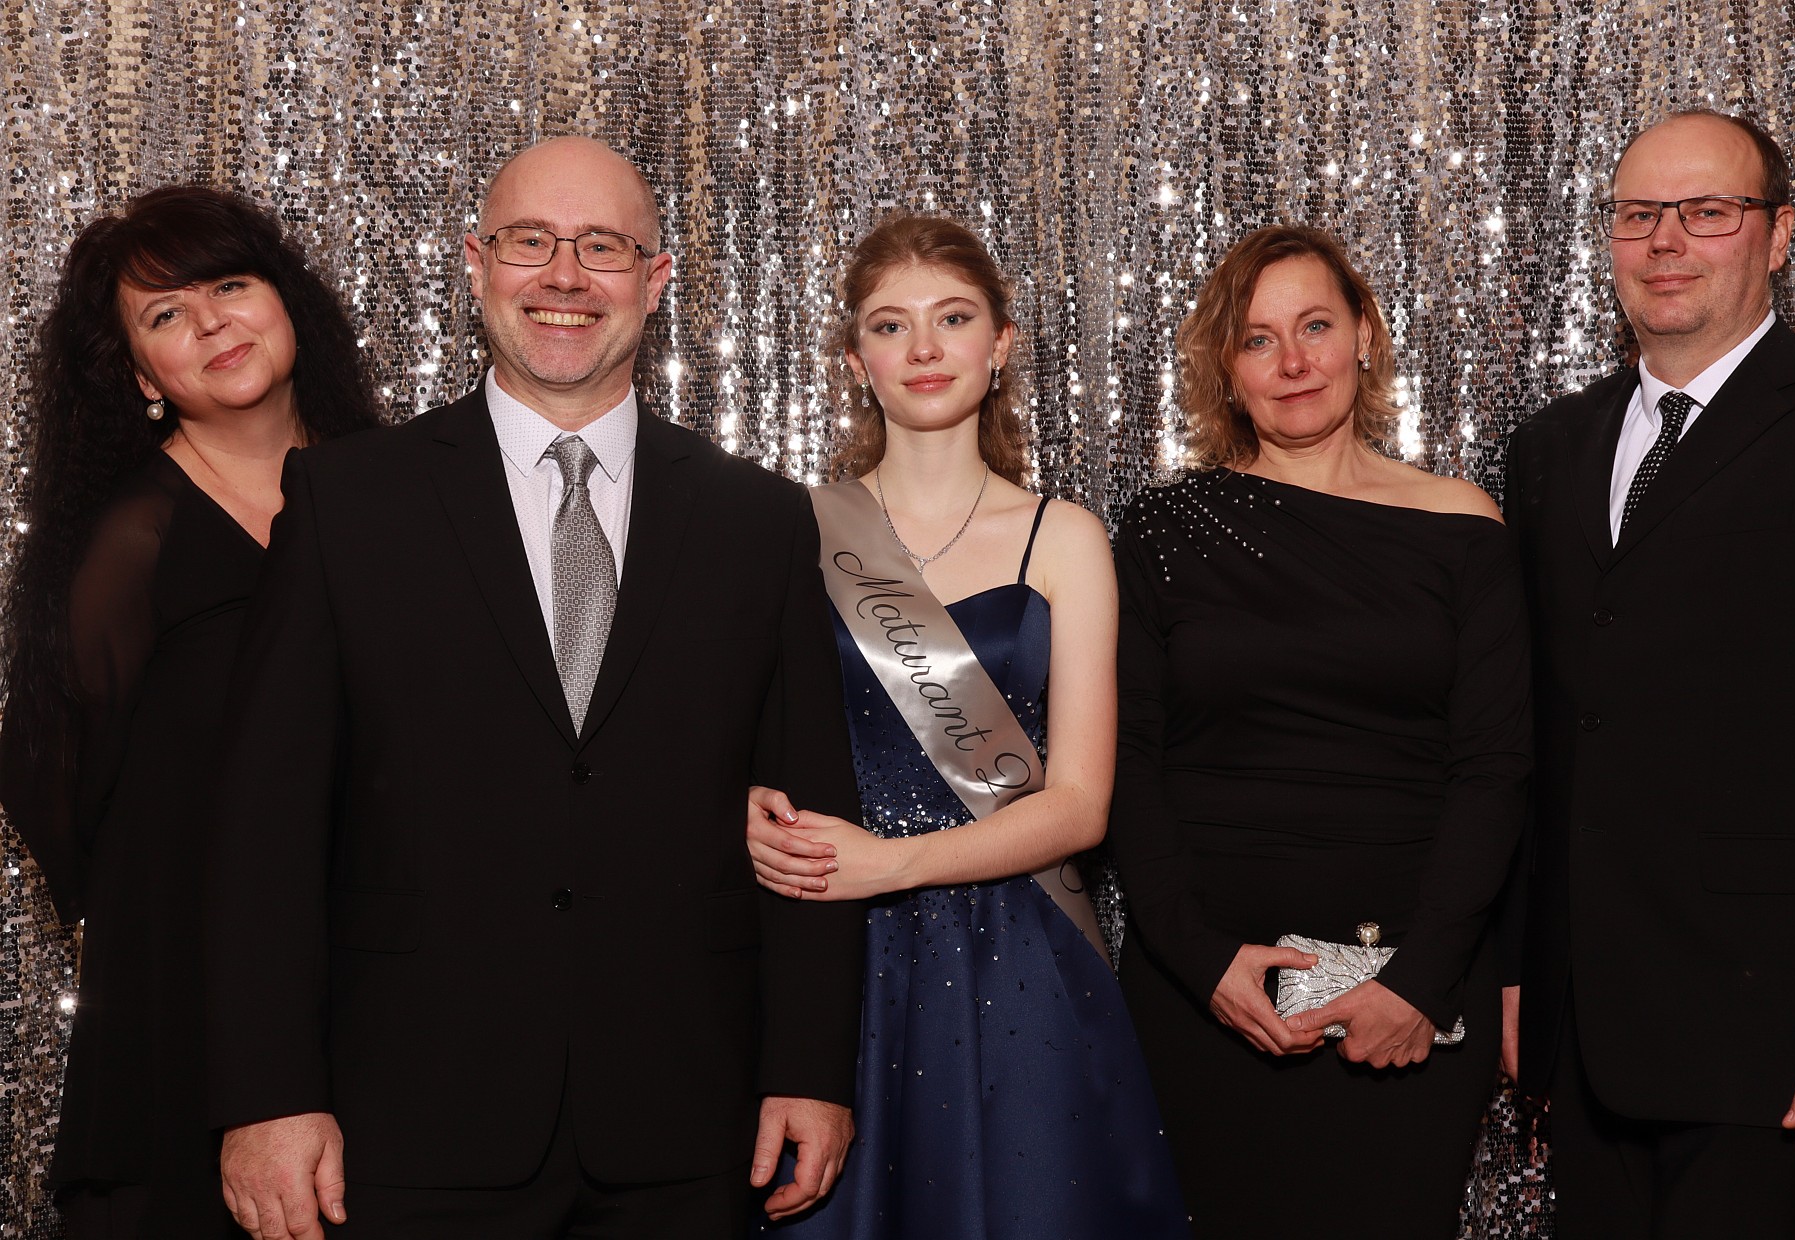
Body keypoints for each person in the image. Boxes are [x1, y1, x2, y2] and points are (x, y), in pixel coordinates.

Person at [205, 136, 864, 1239]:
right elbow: (263, 824)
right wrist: (268, 1092)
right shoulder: (345, 501)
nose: (564, 276)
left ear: (655, 280)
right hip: (407, 1112)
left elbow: (807, 811)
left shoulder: (759, 519)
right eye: (529, 242)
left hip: (685, 1114)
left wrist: (809, 1065)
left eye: (603, 247)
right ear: (476, 265)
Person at [743, 214, 1190, 1237]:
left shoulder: (1063, 538)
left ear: (1000, 345)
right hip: (833, 958)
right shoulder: (791, 531)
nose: (923, 348)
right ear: (855, 360)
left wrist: (887, 865)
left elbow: (1080, 807)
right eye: (889, 325)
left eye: (951, 318)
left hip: (1019, 955)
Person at [1109, 225, 1531, 1237]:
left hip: (1407, 993)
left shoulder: (1462, 526)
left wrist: (1419, 981)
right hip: (1208, 991)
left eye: (1314, 327)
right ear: (1226, 367)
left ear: (1364, 335)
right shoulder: (1163, 531)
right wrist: (1201, 962)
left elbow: (1496, 769)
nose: (1292, 362)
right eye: (1257, 340)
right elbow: (1125, 763)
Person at [0, 185, 382, 1238]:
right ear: (139, 375)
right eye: (166, 313)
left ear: (285, 301)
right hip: (184, 1009)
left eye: (229, 284)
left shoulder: (398, 498)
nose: (212, 322)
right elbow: (50, 776)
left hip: (382, 988)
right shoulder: (132, 541)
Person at [1504, 109, 1795, 1235]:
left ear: (1778, 234)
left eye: (1706, 212)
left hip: (1776, 1042)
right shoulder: (1550, 448)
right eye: (1637, 214)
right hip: (1587, 1040)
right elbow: (1540, 737)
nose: (1664, 241)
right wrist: (1520, 970)